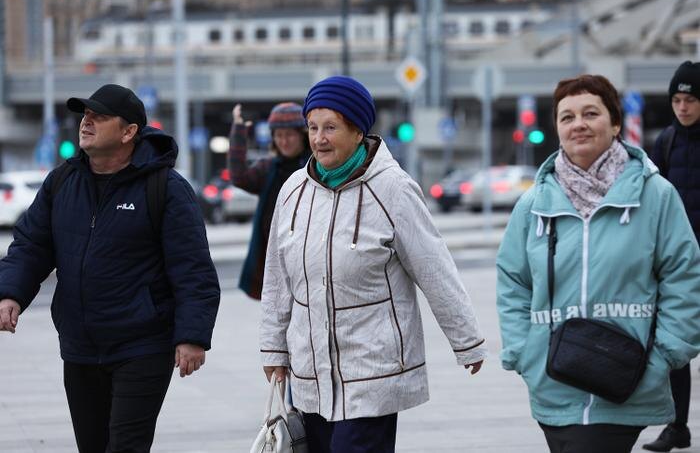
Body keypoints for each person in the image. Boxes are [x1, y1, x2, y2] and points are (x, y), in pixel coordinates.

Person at [259, 75, 487, 452]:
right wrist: (273, 349)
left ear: (357, 130)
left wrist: (467, 341)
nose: (319, 139)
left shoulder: (393, 188)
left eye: (330, 128)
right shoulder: (293, 191)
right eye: (313, 128)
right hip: (310, 374)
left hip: (373, 373)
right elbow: (277, 279)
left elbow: (433, 267)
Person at [0, 84, 220, 453]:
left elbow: (193, 269)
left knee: (125, 447)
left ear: (129, 131)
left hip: (143, 345)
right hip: (80, 345)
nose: (86, 122)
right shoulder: (62, 182)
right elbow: (31, 245)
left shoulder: (166, 188)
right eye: (85, 115)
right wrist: (10, 293)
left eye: (99, 117)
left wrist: (192, 336)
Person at [496, 74, 700, 453]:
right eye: (567, 117)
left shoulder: (656, 196)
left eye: (591, 113)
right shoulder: (533, 204)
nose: (579, 124)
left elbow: (684, 276)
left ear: (616, 123)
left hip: (624, 381)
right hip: (553, 384)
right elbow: (513, 281)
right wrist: (524, 353)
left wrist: (666, 354)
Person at [644, 60, 700, 452]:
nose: (682, 107)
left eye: (690, 100)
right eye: (677, 100)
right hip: (679, 265)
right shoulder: (666, 142)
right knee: (676, 347)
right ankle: (677, 426)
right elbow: (653, 203)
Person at [227, 102, 310, 300]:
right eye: (278, 135)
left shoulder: (314, 166)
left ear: (302, 135)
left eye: (289, 135)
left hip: (306, 254)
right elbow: (239, 177)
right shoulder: (268, 168)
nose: (284, 141)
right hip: (274, 256)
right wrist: (238, 131)